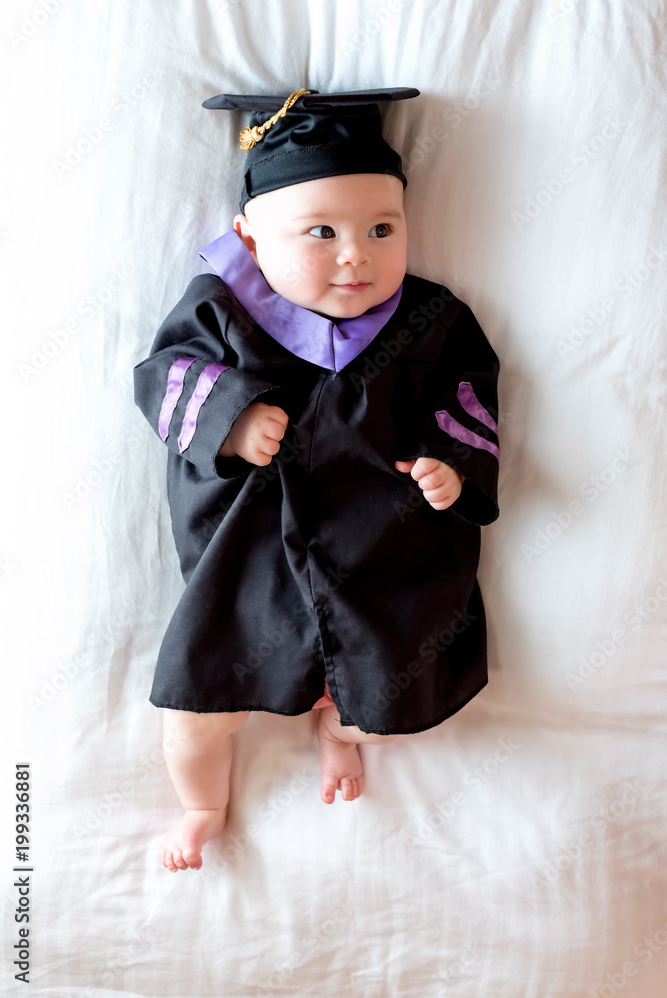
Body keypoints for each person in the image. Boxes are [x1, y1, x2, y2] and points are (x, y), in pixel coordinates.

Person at [133, 88, 500, 872]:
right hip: (249, 567)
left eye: (380, 228)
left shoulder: (428, 322)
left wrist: (451, 466)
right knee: (196, 709)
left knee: (393, 700)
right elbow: (163, 379)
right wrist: (230, 417)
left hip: (379, 557)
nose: (354, 255)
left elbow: (467, 395)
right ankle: (202, 804)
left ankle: (340, 726)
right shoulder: (222, 312)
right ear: (248, 236)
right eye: (320, 232)